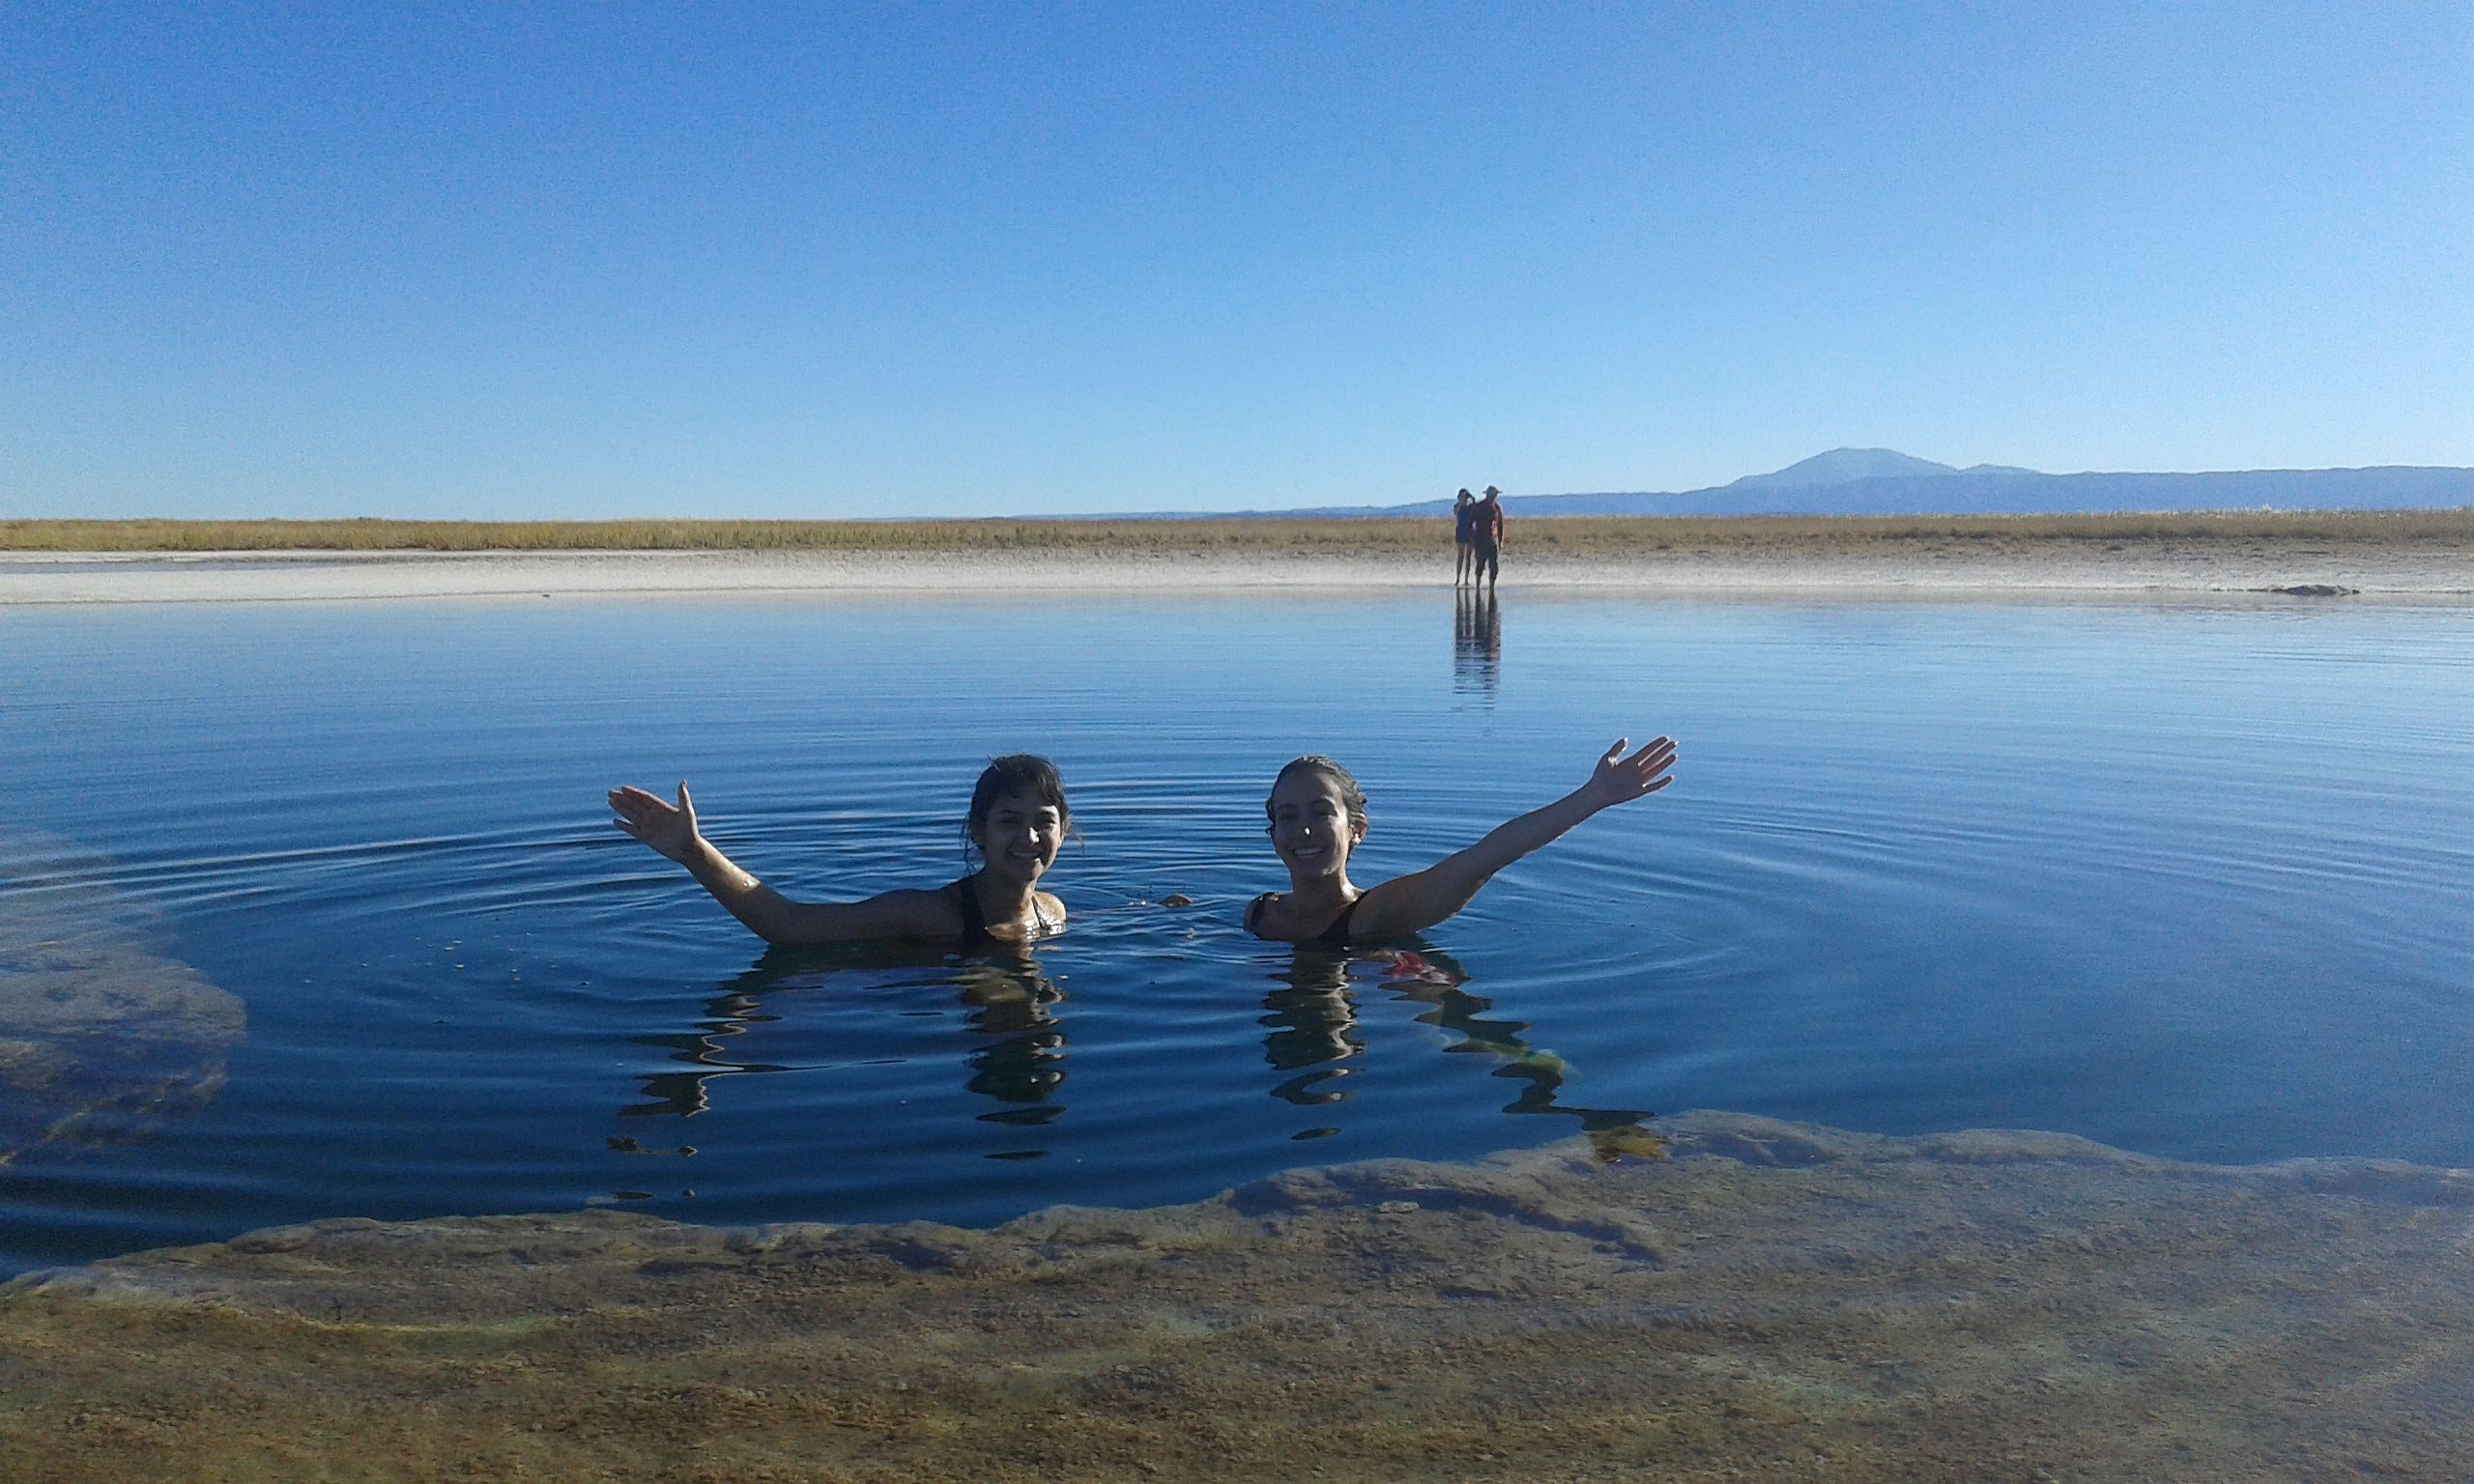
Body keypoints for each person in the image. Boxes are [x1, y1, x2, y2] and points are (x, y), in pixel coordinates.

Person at [1243, 736, 1678, 947]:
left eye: (1321, 813)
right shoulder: (1259, 913)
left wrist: (1592, 797)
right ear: (1273, 836)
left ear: (1356, 830)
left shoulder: (1376, 913)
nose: (1303, 831)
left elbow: (1484, 857)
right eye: (1288, 817)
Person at [607, 755, 1069, 949]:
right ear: (979, 833)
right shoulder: (930, 914)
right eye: (1009, 820)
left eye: (1043, 822)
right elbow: (789, 926)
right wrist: (694, 852)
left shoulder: (1053, 913)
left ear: (1063, 832)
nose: (1029, 837)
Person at [1472, 485, 1505, 591]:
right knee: (1480, 563)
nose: (1494, 496)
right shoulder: (1479, 506)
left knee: (1493, 565)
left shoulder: (1497, 508)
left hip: (1492, 540)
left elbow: (1500, 525)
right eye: (1493, 494)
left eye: (1495, 494)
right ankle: (1478, 585)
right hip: (1480, 539)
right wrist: (1473, 538)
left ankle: (1491, 587)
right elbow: (1470, 522)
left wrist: (1500, 541)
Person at [1452, 488, 1477, 586]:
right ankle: (1458, 578)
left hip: (1470, 532)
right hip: (1461, 532)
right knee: (1460, 556)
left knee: (1468, 557)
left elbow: (1475, 503)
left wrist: (1470, 496)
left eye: (1464, 497)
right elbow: (1456, 512)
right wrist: (1460, 502)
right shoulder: (1457, 507)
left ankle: (1466, 579)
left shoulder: (1471, 507)